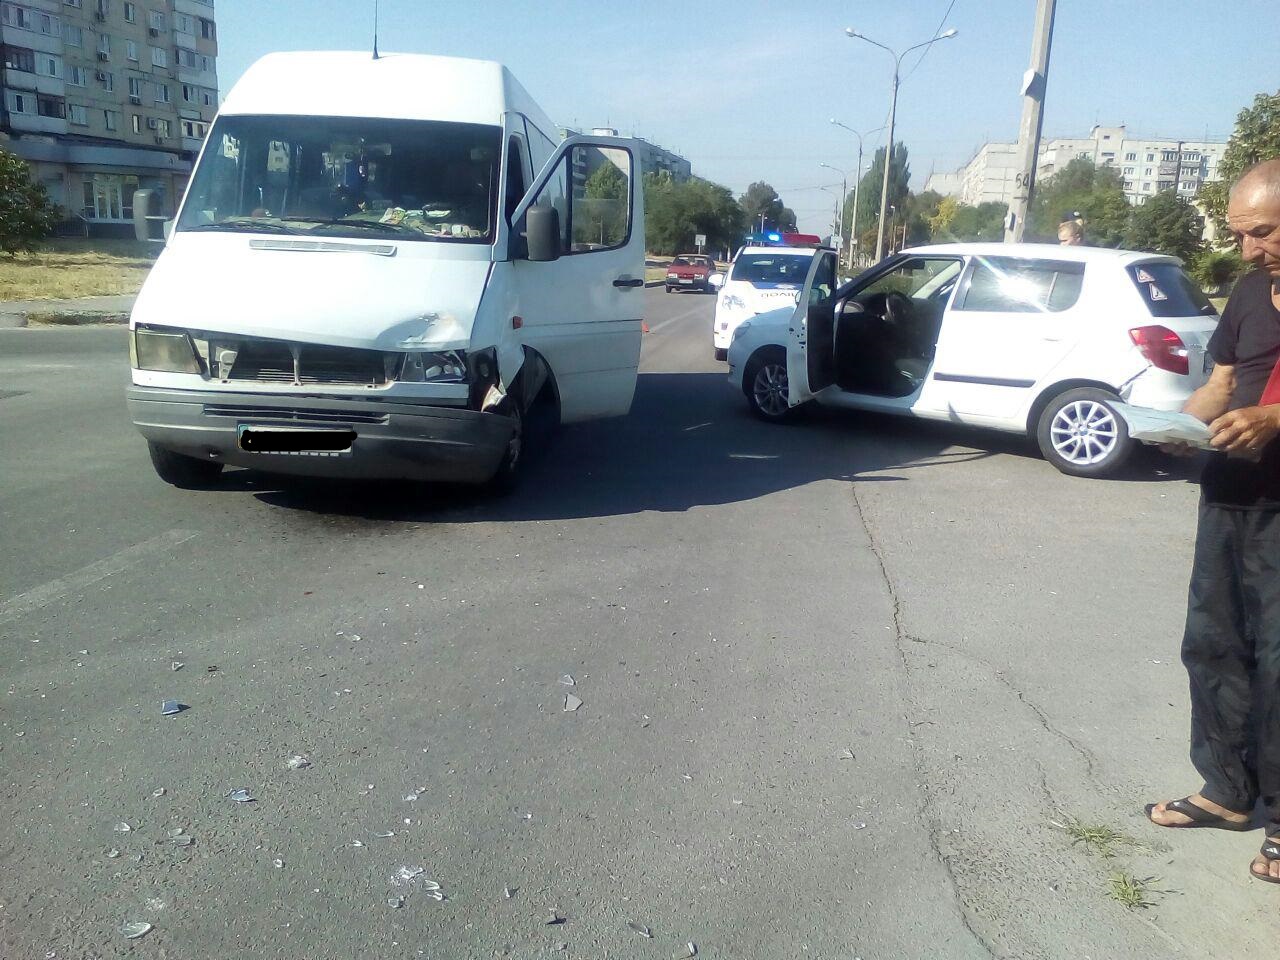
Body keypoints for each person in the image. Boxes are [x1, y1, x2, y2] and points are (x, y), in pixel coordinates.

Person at [1145, 158, 1280, 885]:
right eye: (1239, 234)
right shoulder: (1252, 293)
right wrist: (1172, 427)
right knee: (1214, 646)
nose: (1248, 250)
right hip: (1229, 498)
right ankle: (1229, 792)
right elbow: (1222, 384)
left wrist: (1274, 419)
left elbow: (1258, 405)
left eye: (1262, 232)